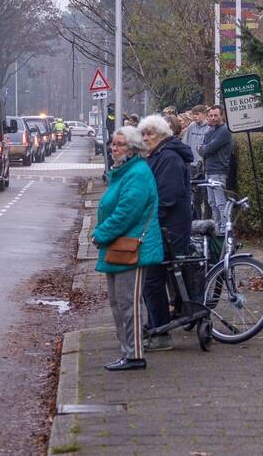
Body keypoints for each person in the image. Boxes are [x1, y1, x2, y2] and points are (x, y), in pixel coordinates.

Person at [92, 125, 163, 371]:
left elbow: (126, 213)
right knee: (118, 303)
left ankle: (134, 355)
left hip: (131, 248)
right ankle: (127, 352)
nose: (114, 148)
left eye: (120, 144)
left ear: (132, 149)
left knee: (128, 304)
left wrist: (100, 234)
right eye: (113, 143)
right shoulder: (124, 172)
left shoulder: (137, 173)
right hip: (119, 248)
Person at [138, 115, 194, 351]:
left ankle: (161, 333)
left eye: (149, 134)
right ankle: (156, 324)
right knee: (152, 279)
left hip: (169, 229)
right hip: (161, 227)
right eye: (143, 134)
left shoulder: (168, 158)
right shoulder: (158, 156)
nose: (145, 138)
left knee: (152, 279)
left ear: (161, 135)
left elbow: (167, 197)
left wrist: (148, 223)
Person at [199, 105, 233, 231]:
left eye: (216, 115)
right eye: (211, 115)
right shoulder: (210, 131)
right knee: (212, 202)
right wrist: (204, 149)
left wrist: (204, 149)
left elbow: (207, 149)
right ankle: (217, 228)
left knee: (220, 203)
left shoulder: (224, 131)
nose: (213, 118)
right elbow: (203, 149)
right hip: (208, 170)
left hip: (218, 171)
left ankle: (225, 229)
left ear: (222, 116)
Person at [181, 104, 210, 218]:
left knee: (206, 195)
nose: (194, 117)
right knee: (195, 196)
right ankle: (197, 219)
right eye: (193, 114)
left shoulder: (209, 127)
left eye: (197, 114)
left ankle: (207, 219)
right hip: (192, 165)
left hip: (204, 165)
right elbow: (185, 143)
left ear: (204, 114)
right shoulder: (191, 126)